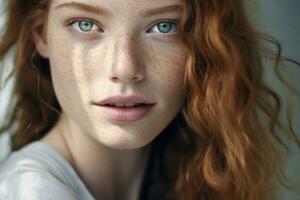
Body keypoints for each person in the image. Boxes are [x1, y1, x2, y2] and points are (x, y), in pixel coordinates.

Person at [0, 0, 299, 199]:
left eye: (164, 26)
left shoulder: (179, 174)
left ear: (206, 44)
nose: (125, 69)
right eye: (85, 24)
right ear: (41, 35)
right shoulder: (32, 191)